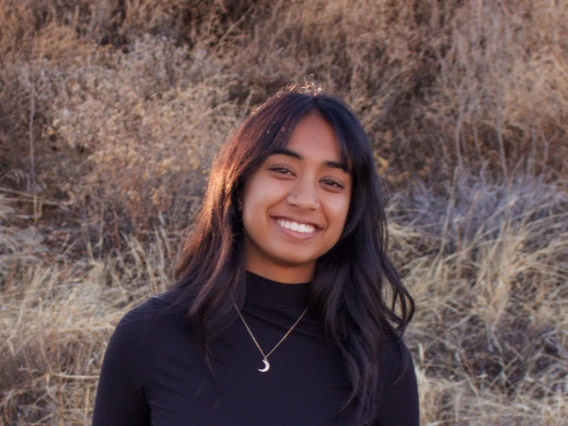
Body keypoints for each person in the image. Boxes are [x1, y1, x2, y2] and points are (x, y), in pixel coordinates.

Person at [92, 85, 419, 426]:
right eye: (283, 170)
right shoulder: (150, 335)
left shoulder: (380, 359)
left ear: (352, 208)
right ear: (239, 183)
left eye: (332, 182)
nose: (305, 199)